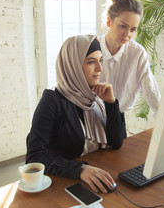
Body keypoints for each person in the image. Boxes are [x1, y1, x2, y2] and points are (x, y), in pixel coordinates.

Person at [26, 35, 126, 193]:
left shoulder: (96, 96)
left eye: (100, 60)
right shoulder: (52, 100)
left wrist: (111, 104)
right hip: (64, 184)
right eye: (91, 61)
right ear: (73, 64)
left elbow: (117, 142)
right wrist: (80, 170)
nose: (100, 68)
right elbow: (34, 158)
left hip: (97, 178)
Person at [98, 0, 161, 116]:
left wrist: (163, 116)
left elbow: (149, 89)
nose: (127, 34)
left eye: (133, 29)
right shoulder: (92, 48)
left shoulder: (137, 53)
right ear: (109, 21)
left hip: (118, 117)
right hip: (89, 118)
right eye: (123, 26)